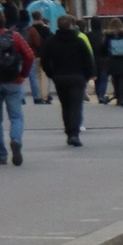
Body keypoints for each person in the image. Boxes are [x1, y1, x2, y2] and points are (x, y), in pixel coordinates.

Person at [39, 16, 95, 147]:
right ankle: (75, 133)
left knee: (66, 105)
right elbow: (88, 59)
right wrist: (88, 75)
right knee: (76, 105)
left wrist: (51, 73)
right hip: (77, 76)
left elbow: (45, 60)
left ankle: (69, 131)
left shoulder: (51, 41)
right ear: (71, 26)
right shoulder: (78, 41)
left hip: (60, 77)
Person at [0, 20, 32, 164]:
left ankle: (1, 154)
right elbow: (29, 56)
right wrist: (23, 74)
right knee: (16, 117)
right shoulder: (15, 36)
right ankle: (16, 140)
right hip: (13, 80)